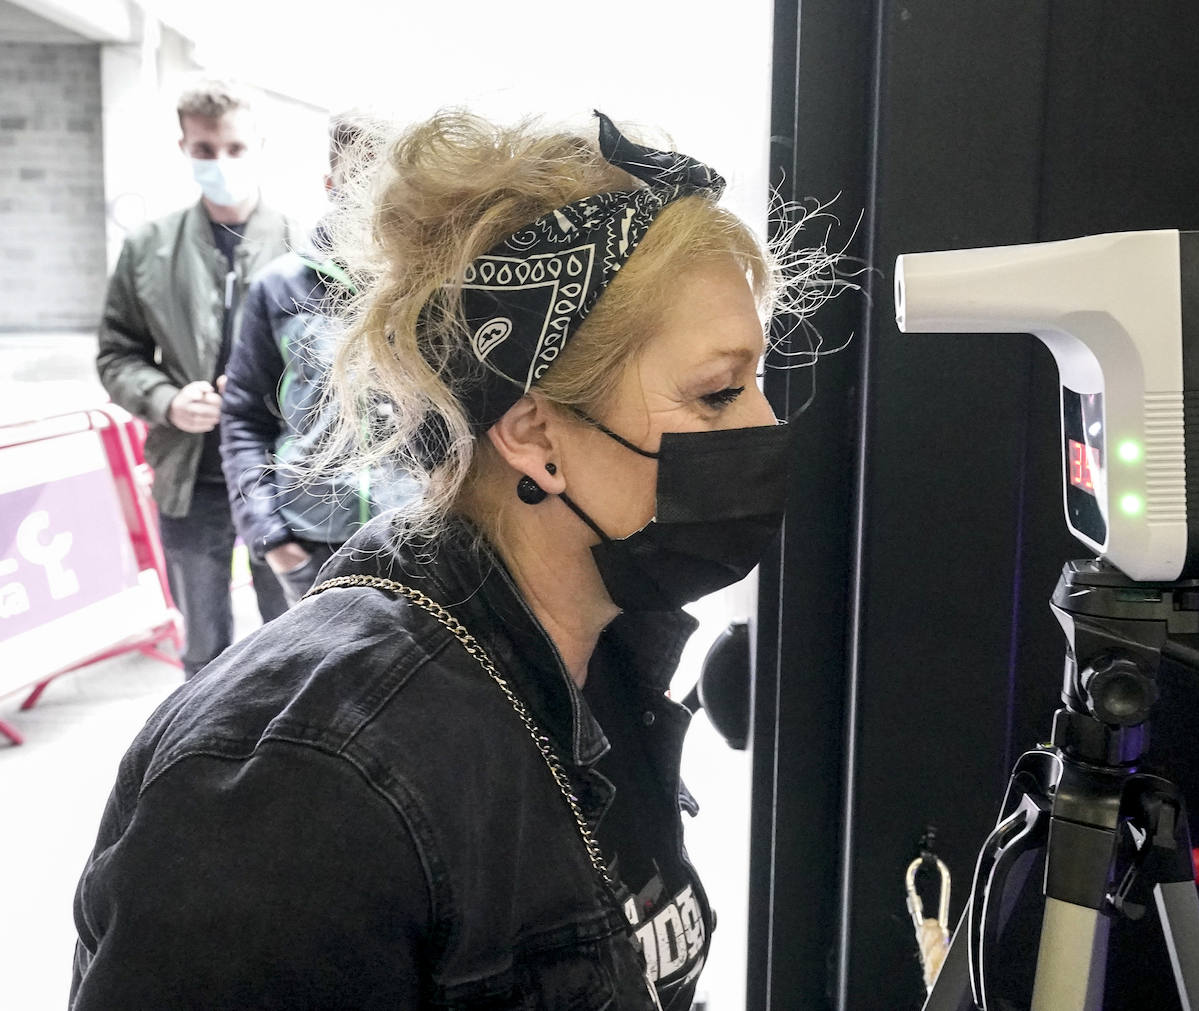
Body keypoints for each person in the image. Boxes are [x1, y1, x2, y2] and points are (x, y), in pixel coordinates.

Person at [71, 109, 807, 1010]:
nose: (767, 426)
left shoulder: (599, 651)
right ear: (536, 435)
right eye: (719, 392)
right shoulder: (304, 786)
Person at [95, 78, 294, 676]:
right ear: (183, 147)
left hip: (283, 475)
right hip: (191, 475)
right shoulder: (149, 248)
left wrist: (273, 393)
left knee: (294, 640)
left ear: (259, 144)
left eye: (234, 148)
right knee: (204, 650)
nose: (220, 163)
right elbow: (116, 353)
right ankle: (203, 761)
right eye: (205, 151)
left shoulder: (304, 243)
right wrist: (166, 399)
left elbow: (343, 368)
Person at [220, 112, 415, 604]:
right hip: (312, 546)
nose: (375, 192)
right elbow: (243, 417)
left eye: (389, 176)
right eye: (361, 174)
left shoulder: (433, 289)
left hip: (418, 543)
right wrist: (273, 538)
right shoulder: (280, 287)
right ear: (331, 183)